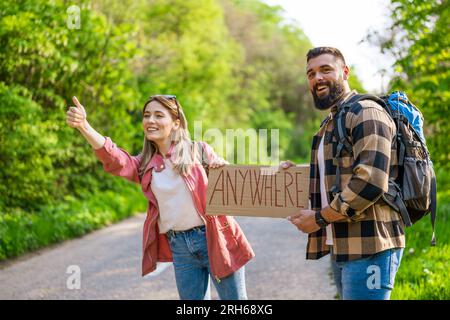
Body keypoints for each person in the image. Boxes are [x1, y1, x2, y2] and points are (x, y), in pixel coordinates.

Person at [66, 95, 254, 300]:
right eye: (147, 115)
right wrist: (85, 126)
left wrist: (222, 167)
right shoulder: (145, 164)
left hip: (215, 239)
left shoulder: (198, 151)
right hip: (180, 247)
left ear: (176, 123)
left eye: (158, 115)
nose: (150, 120)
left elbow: (233, 183)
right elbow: (115, 159)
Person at [282, 47, 405, 300]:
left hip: (371, 246)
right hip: (342, 243)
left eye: (325, 69)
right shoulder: (331, 121)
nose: (317, 78)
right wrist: (296, 176)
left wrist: (318, 218)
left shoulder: (366, 112)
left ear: (345, 72)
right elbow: (338, 173)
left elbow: (370, 181)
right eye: (311, 73)